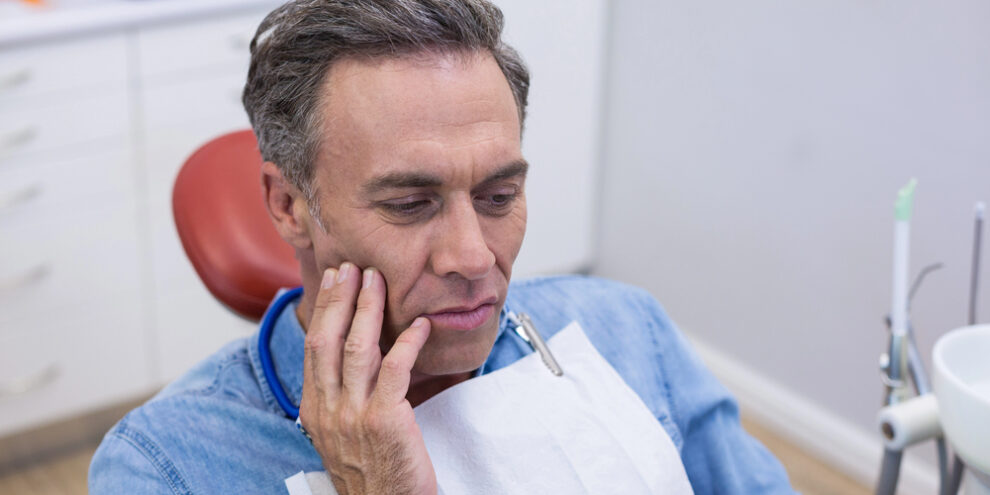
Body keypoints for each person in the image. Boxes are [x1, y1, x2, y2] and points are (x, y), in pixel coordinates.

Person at [89, 1, 795, 493]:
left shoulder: (624, 328)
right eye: (409, 203)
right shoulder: (167, 467)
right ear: (289, 204)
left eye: (497, 197)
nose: (473, 257)